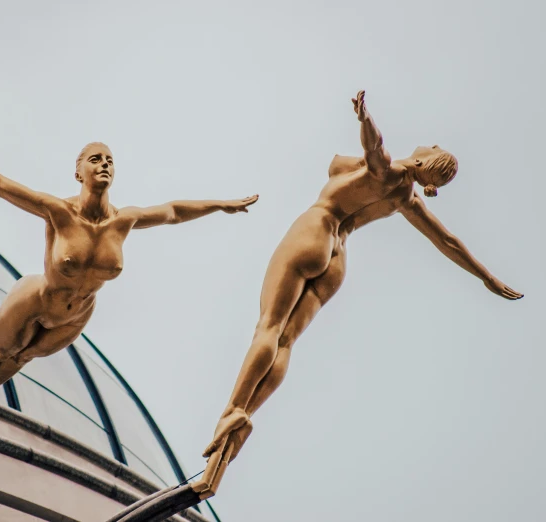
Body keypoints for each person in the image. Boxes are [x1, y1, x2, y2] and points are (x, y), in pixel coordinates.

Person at [199, 91, 523, 482]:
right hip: (338, 256)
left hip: (316, 230)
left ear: (423, 160)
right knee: (286, 343)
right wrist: (487, 277)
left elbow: (376, 147)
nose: (429, 141)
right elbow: (447, 242)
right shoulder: (408, 200)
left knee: (269, 326)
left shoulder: (389, 173)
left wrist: (364, 117)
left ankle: (234, 408)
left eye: (433, 147)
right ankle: (244, 420)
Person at [0, 123, 259, 419]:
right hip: (38, 298)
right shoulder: (57, 211)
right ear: (78, 172)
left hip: (78, 312)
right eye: (95, 159)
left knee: (22, 357)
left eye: (110, 161)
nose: (104, 165)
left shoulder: (125, 220)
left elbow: (174, 211)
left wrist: (220, 204)